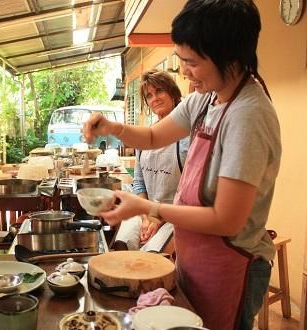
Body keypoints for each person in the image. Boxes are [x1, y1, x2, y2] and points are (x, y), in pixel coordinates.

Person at [83, 1, 281, 329]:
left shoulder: (249, 115)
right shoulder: (206, 99)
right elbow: (149, 136)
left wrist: (148, 207)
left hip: (230, 264)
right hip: (196, 258)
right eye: (182, 61)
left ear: (229, 55)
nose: (185, 72)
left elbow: (226, 219)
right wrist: (112, 127)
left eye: (192, 62)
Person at [113, 70, 188, 252]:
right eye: (149, 95)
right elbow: (139, 183)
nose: (154, 98)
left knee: (150, 258)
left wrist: (158, 217)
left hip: (176, 215)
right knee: (121, 246)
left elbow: (189, 191)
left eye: (160, 91)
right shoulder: (144, 138)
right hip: (146, 211)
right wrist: (147, 215)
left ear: (173, 92)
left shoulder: (188, 137)